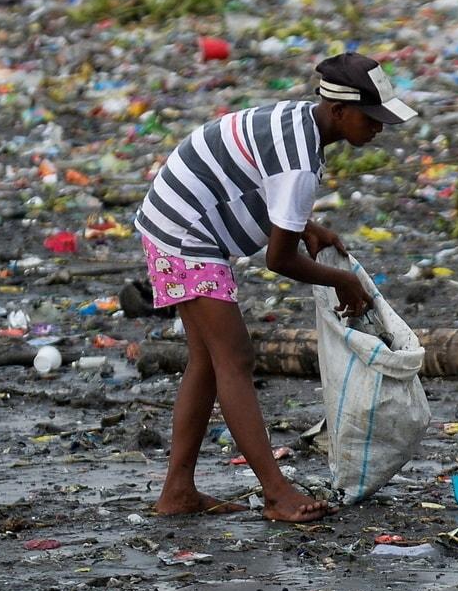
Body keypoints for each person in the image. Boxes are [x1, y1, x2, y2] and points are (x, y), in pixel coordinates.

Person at [134, 52, 417, 522]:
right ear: (340, 111)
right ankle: (275, 492)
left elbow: (259, 180)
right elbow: (279, 260)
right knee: (235, 358)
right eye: (373, 117)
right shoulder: (301, 163)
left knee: (208, 360)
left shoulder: (300, 121)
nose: (379, 128)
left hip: (175, 218)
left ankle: (177, 492)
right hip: (183, 235)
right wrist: (343, 281)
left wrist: (304, 224)